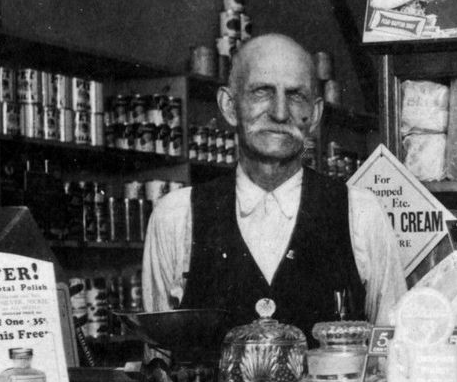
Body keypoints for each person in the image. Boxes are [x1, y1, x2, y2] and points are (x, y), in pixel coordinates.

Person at [140, 32, 406, 332]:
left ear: (315, 114)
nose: (280, 113)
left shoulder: (361, 213)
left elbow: (393, 355)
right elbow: (158, 366)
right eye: (262, 92)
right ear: (229, 106)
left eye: (295, 96)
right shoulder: (176, 217)